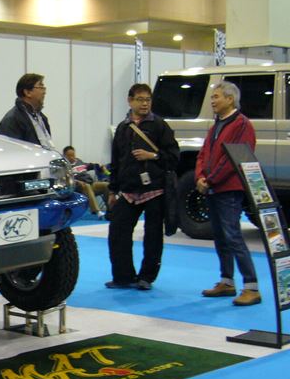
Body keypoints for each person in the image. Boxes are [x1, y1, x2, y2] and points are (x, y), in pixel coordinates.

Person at [106, 83, 180, 290]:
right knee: (117, 231)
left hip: (154, 189)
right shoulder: (122, 128)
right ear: (130, 101)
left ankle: (147, 277)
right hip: (128, 190)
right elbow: (116, 161)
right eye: (140, 99)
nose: (145, 104)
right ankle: (123, 276)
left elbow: (174, 157)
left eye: (148, 100)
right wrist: (113, 190)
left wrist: (153, 156)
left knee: (153, 235)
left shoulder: (160, 126)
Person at [196, 81, 260, 306]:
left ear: (230, 99)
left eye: (216, 97)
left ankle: (251, 287)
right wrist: (200, 177)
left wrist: (210, 180)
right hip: (213, 188)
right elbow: (203, 154)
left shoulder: (242, 124)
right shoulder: (216, 125)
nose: (212, 101)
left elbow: (234, 159)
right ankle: (227, 281)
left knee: (233, 236)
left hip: (229, 189)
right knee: (221, 236)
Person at [0, 73, 54, 148]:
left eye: (44, 88)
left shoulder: (42, 118)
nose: (44, 92)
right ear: (28, 92)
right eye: (41, 87)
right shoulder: (12, 120)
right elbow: (10, 150)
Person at [63, 145, 109, 219]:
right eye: (69, 156)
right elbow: (66, 179)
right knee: (87, 186)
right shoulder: (64, 167)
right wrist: (77, 181)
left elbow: (91, 165)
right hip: (79, 188)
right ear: (65, 156)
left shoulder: (79, 161)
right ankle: (97, 211)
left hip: (91, 184)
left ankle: (110, 210)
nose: (72, 157)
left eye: (73, 155)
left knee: (107, 185)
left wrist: (100, 166)